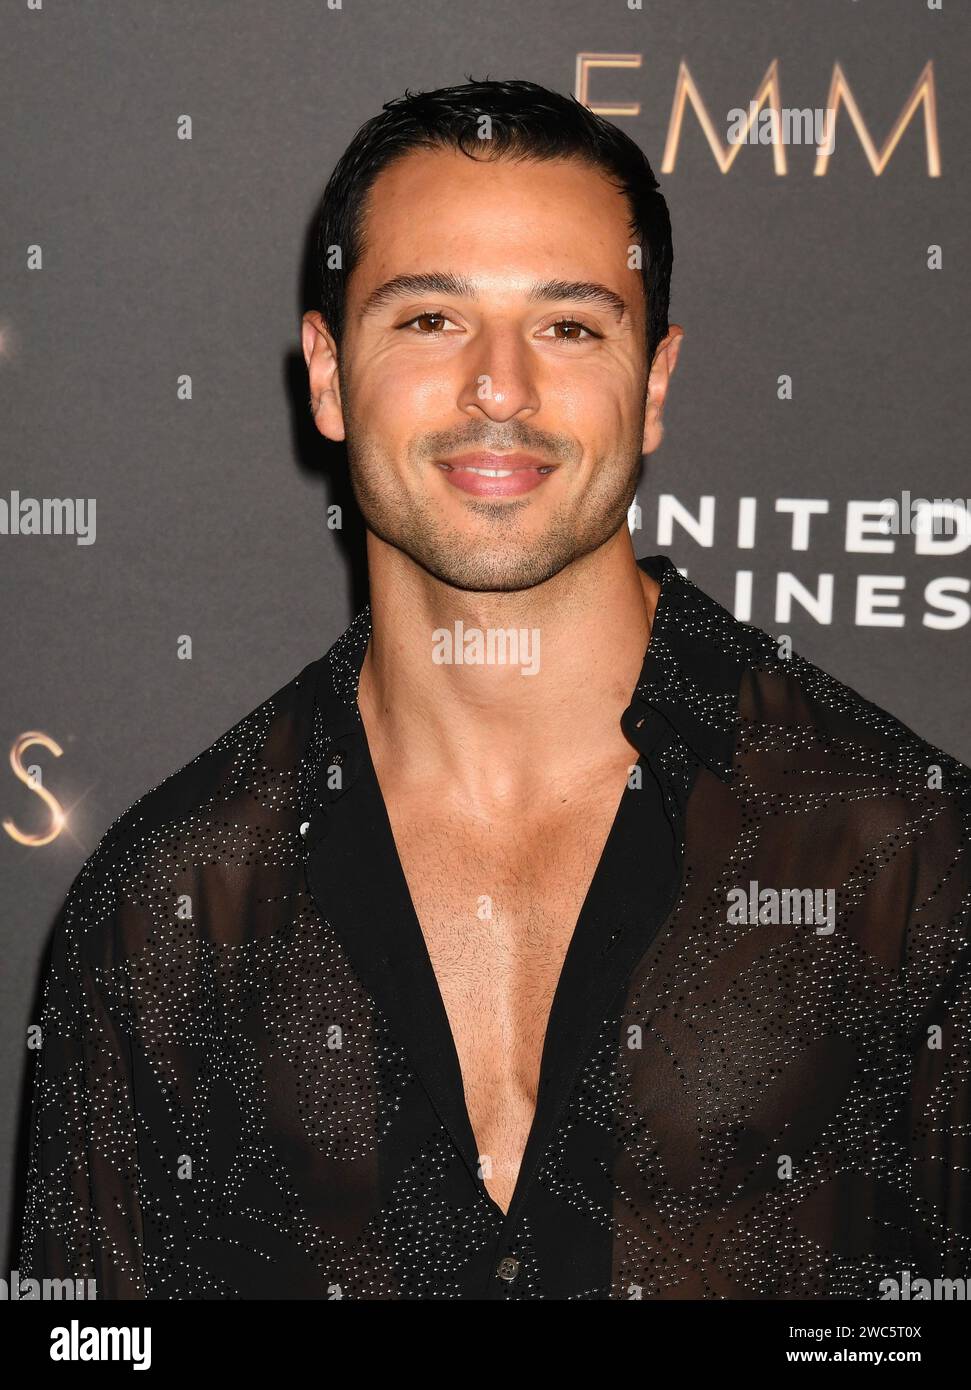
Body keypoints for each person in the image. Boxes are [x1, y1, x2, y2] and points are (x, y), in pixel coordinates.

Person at [18, 78, 970, 1300]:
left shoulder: (898, 851)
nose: (499, 388)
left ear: (654, 383)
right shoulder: (171, 898)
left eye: (567, 326)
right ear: (326, 374)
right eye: (430, 320)